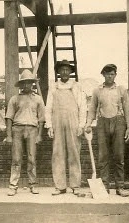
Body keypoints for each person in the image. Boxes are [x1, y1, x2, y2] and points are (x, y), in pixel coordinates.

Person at [85, 64, 129, 197]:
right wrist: (88, 124)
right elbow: (92, 109)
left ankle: (120, 187)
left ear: (115, 75)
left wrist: (128, 127)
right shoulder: (97, 90)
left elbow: (127, 109)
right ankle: (104, 186)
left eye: (112, 74)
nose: (109, 76)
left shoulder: (121, 90)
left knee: (119, 156)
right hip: (102, 122)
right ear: (103, 75)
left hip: (118, 122)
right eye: (107, 74)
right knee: (103, 157)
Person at [46, 59, 86, 196]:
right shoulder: (53, 87)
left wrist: (81, 125)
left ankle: (75, 185)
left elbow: (83, 107)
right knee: (58, 154)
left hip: (73, 122)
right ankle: (60, 186)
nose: (64, 72)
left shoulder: (76, 86)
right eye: (62, 70)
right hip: (57, 122)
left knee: (74, 153)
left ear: (70, 72)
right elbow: (48, 108)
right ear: (58, 72)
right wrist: (50, 126)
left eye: (67, 70)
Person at [5, 70, 45, 196]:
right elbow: (9, 118)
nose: (27, 85)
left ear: (33, 84)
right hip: (17, 129)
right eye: (24, 83)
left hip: (32, 130)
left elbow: (41, 119)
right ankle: (13, 185)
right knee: (16, 159)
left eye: (29, 83)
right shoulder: (14, 99)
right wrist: (9, 135)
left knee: (32, 158)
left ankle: (33, 184)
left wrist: (39, 135)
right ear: (21, 85)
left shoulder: (38, 99)